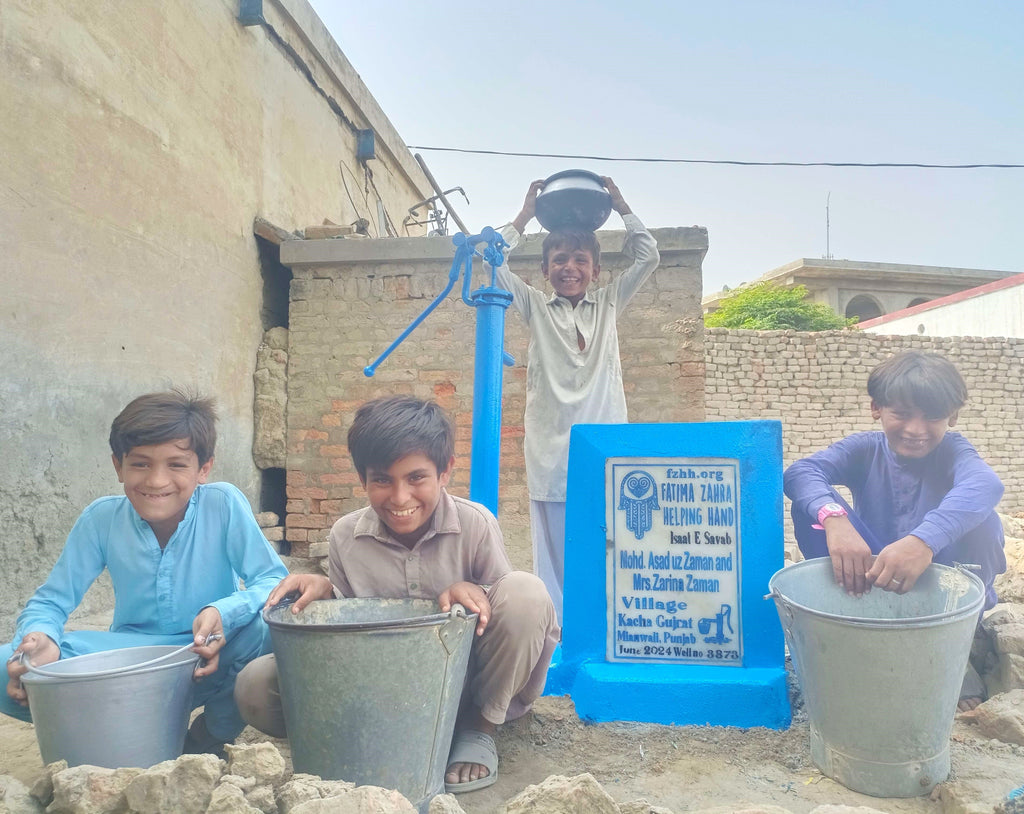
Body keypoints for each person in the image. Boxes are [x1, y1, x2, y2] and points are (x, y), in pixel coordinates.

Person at [234, 396, 559, 794]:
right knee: (255, 685)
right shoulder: (345, 537)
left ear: (445, 472)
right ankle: (373, 732)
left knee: (527, 592)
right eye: (382, 480)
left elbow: (511, 613)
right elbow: (346, 635)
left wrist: (476, 591)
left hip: (465, 685)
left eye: (416, 478)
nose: (400, 497)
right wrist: (325, 594)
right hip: (386, 695)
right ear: (363, 480)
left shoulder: (475, 524)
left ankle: (479, 729)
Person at [2, 389, 289, 755]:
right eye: (140, 464)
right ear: (117, 465)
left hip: (209, 651)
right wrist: (40, 639)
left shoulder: (223, 504)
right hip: (134, 661)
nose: (156, 481)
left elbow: (273, 581)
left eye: (176, 464)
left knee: (268, 628)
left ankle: (210, 735)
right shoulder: (100, 519)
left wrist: (222, 612)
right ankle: (123, 729)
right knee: (8, 666)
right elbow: (51, 601)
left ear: (204, 469)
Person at [784, 350, 1006, 709]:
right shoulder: (864, 449)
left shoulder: (954, 452)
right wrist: (834, 518)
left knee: (985, 521)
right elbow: (801, 473)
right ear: (877, 408)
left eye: (932, 416)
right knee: (810, 510)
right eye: (901, 414)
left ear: (952, 415)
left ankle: (955, 649)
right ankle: (858, 631)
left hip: (941, 593)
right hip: (873, 580)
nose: (916, 430)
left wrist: (923, 542)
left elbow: (986, 485)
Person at [493, 176, 661, 623]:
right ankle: (556, 634)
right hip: (549, 448)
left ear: (596, 270)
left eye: (581, 260)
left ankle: (605, 625)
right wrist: (525, 214)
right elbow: (490, 262)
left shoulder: (608, 304)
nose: (570, 267)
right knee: (551, 551)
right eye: (560, 260)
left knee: (608, 540)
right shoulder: (533, 306)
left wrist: (622, 204)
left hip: (603, 447)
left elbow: (649, 255)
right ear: (545, 271)